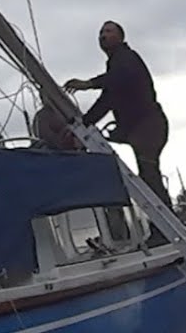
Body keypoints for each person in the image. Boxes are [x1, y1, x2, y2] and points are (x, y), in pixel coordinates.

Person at [63, 21, 172, 213]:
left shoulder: (127, 58)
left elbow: (120, 79)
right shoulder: (116, 64)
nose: (103, 35)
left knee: (149, 176)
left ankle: (165, 226)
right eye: (101, 32)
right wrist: (84, 123)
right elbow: (108, 98)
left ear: (121, 37)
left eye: (108, 31)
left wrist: (89, 84)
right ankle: (161, 225)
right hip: (143, 128)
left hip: (148, 126)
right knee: (149, 176)